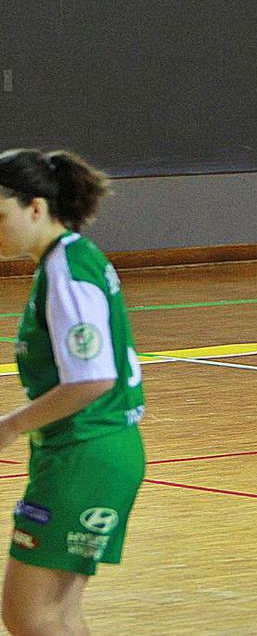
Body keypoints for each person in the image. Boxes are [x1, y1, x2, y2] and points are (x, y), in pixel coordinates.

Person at [0, 149, 146, 635]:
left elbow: (92, 377)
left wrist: (11, 426)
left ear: (36, 208)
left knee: (28, 615)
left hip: (86, 453)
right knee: (55, 615)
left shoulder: (67, 267)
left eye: (0, 215)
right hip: (86, 453)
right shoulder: (68, 260)